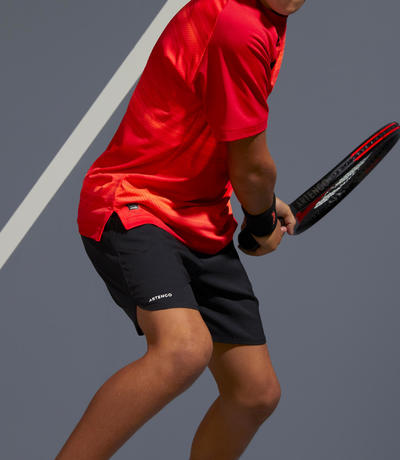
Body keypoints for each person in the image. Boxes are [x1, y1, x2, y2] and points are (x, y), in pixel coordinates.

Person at [55, 0, 305, 458]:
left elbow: (222, 132)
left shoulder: (271, 20)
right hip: (135, 202)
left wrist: (262, 203)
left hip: (200, 216)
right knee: (183, 350)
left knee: (254, 393)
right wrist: (259, 216)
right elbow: (252, 168)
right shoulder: (239, 24)